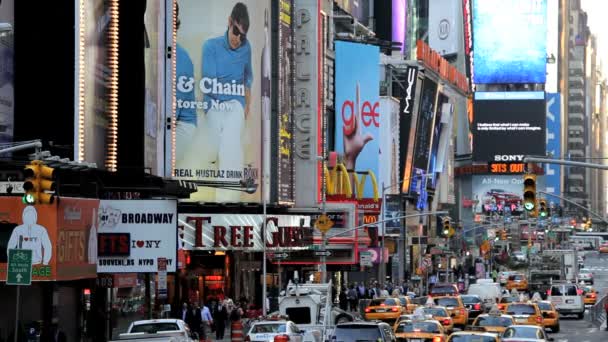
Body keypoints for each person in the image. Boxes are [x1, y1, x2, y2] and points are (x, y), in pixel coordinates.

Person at [198, 2, 253, 202]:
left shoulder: (247, 49)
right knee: (213, 146)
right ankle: (209, 193)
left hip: (234, 104)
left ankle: (227, 198)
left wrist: (246, 106)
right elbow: (209, 84)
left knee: (231, 145)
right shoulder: (210, 47)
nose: (238, 39)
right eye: (236, 31)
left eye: (243, 35)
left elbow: (248, 79)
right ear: (229, 23)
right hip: (214, 103)